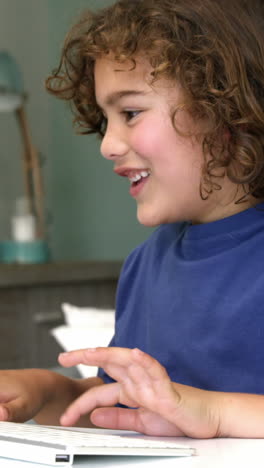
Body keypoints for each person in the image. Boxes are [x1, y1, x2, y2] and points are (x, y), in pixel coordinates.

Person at [1, 0, 264, 438]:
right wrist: (47, 390)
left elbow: (186, 409)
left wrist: (211, 412)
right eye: (106, 120)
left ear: (224, 107)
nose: (108, 144)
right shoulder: (145, 266)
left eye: (131, 113)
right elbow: (126, 408)